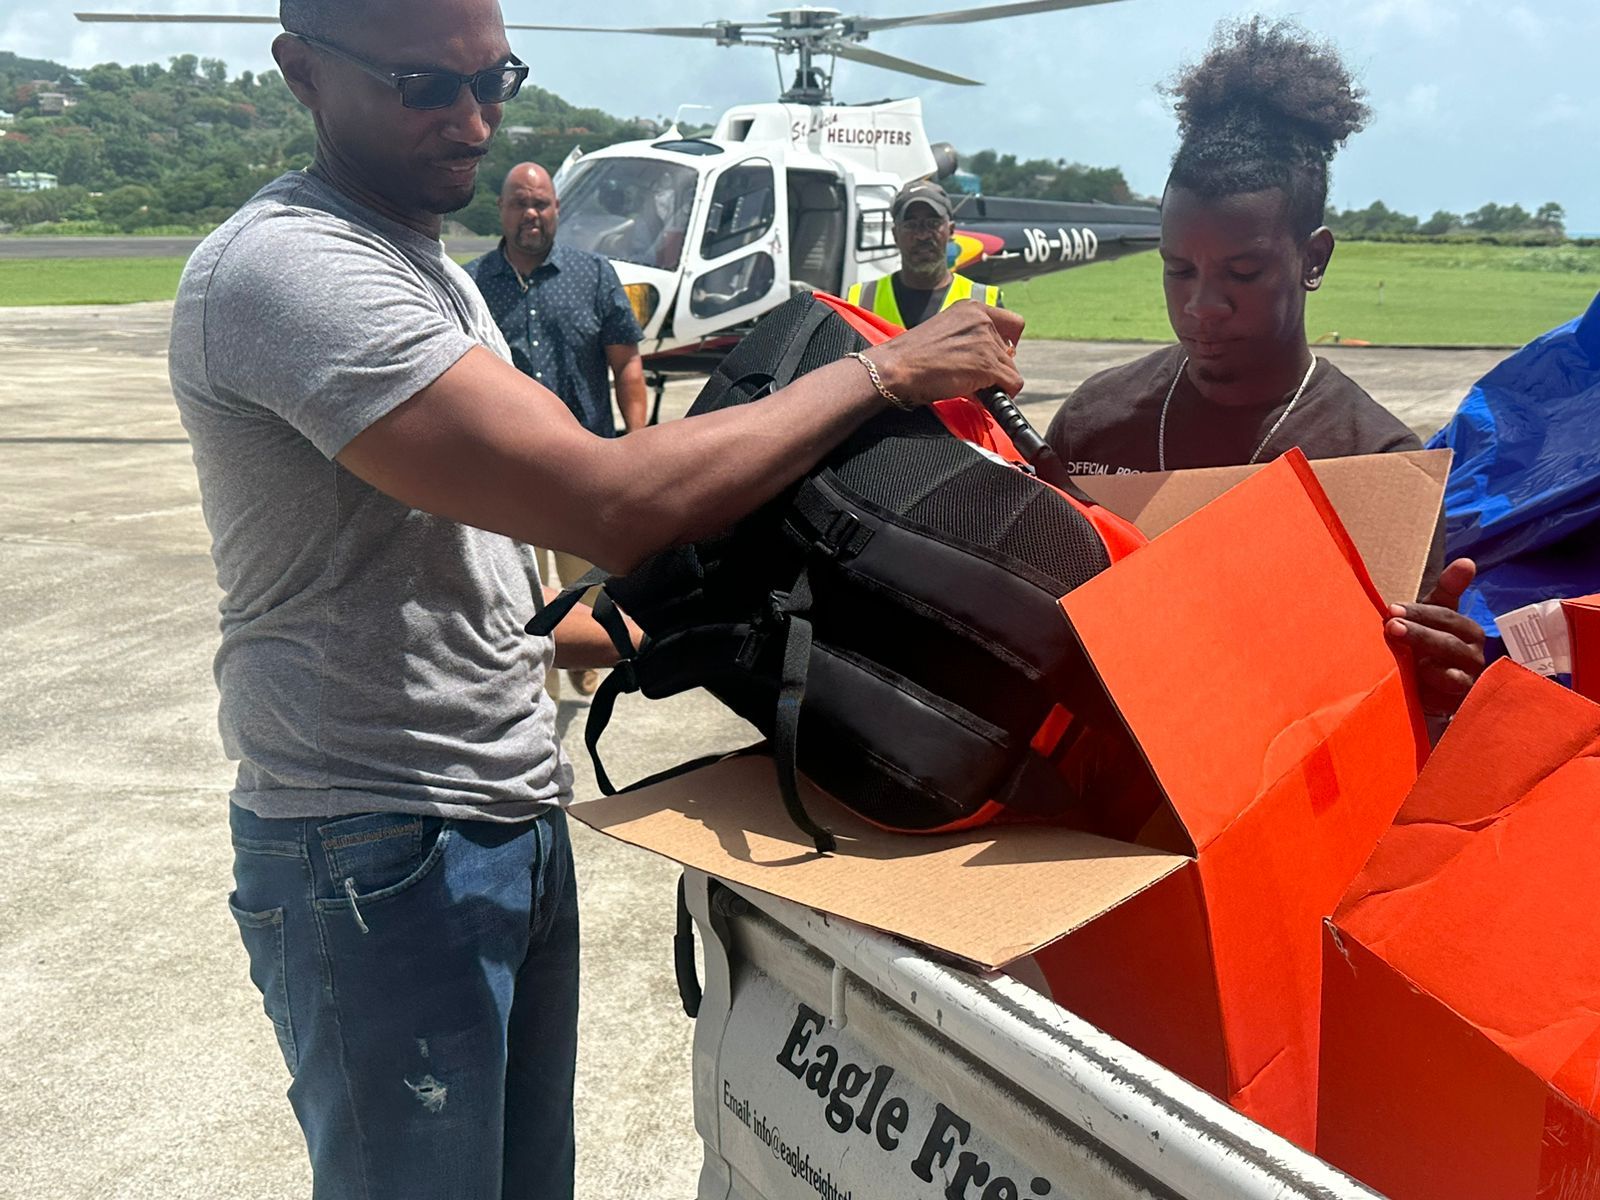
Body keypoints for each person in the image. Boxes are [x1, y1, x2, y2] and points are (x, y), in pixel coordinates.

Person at [165, 0, 1024, 1196]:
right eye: (427, 87)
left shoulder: (422, 268)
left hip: (502, 812)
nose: (471, 121)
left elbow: (456, 568)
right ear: (301, 71)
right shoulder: (290, 271)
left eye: (493, 80)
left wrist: (643, 631)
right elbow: (606, 503)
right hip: (377, 845)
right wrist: (883, 372)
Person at [1043, 17, 1484, 717]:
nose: (1202, 306)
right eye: (1178, 270)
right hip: (1086, 795)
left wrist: (1434, 685)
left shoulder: (1375, 464)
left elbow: (1372, 707)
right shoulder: (1094, 419)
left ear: (1314, 259)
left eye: (1242, 273)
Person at [467, 161, 646, 698]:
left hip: (582, 466)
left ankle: (582, 657)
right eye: (519, 203)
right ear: (500, 210)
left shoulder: (594, 276)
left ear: (556, 211)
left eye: (540, 204)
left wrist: (634, 447)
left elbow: (628, 367)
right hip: (505, 473)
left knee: (589, 584)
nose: (530, 214)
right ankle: (536, 685)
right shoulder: (471, 285)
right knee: (517, 589)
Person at [846, 179, 1000, 328]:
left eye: (933, 223)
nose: (922, 235)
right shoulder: (861, 301)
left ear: (951, 230)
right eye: (911, 225)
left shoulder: (985, 304)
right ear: (895, 234)